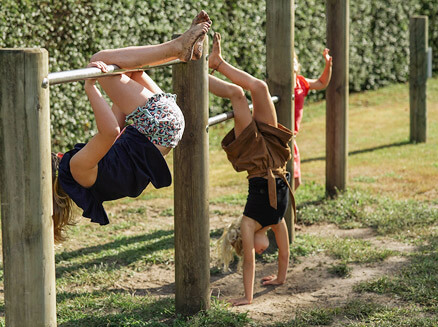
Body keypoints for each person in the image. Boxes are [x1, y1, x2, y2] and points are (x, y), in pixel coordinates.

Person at [51, 11, 212, 242]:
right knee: (101, 58)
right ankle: (178, 47)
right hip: (158, 124)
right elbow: (110, 132)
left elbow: (118, 121)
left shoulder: (87, 182)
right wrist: (91, 87)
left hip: (167, 128)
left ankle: (187, 50)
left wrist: (114, 85)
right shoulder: (76, 167)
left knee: (128, 67)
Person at [209, 32, 296, 306]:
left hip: (255, 158)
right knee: (254, 89)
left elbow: (248, 263)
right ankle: (214, 64)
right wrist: (281, 278)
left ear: (244, 242)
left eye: (255, 250)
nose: (258, 253)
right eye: (257, 252)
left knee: (243, 92)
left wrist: (247, 297)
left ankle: (202, 69)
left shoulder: (250, 222)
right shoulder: (276, 220)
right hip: (275, 154)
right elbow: (285, 254)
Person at [293, 49, 332, 189]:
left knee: (296, 181)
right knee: (288, 180)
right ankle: (280, 209)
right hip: (280, 136)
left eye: (294, 60)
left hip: (293, 138)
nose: (292, 62)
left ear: (298, 65)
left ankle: (283, 208)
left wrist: (328, 65)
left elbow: (321, 83)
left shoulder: (301, 82)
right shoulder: (279, 85)